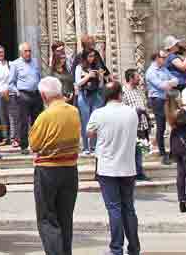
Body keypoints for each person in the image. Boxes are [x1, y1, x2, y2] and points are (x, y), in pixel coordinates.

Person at [87, 80, 141, 255]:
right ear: (120, 94)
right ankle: (133, 248)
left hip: (107, 167)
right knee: (129, 208)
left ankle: (116, 249)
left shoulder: (99, 113)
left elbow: (89, 132)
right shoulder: (132, 112)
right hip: (128, 166)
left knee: (114, 208)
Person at [29, 76, 81, 255]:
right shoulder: (74, 111)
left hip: (48, 170)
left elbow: (34, 145)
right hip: (70, 169)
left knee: (47, 218)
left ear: (43, 95)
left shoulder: (45, 116)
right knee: (65, 218)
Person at [8, 42, 42, 155]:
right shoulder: (15, 64)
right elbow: (11, 83)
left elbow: (39, 76)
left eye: (29, 51)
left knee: (37, 121)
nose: (28, 53)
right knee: (23, 122)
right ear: (21, 52)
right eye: (26, 51)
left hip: (36, 94)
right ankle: (24, 145)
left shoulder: (35, 61)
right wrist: (17, 93)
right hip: (23, 95)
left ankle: (37, 144)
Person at [145, 50, 177, 164]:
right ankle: (163, 154)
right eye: (163, 57)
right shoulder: (151, 71)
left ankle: (171, 152)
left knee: (173, 124)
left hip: (167, 98)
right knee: (161, 126)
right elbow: (161, 85)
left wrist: (168, 83)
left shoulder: (164, 69)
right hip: (157, 99)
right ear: (157, 58)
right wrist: (169, 83)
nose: (165, 59)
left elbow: (176, 80)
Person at [74, 49, 107, 155]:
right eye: (89, 56)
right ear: (84, 57)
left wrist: (101, 77)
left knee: (96, 120)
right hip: (84, 95)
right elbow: (78, 83)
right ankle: (86, 147)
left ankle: (94, 145)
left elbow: (101, 86)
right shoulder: (79, 67)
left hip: (96, 95)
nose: (92, 58)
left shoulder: (96, 67)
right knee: (85, 121)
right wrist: (88, 76)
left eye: (93, 56)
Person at [121, 69, 151, 181]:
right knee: (131, 150)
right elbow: (123, 109)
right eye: (137, 77)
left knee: (140, 149)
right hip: (131, 126)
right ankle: (131, 172)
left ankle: (138, 171)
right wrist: (136, 110)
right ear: (131, 78)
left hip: (142, 125)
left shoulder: (138, 91)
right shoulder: (124, 91)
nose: (139, 79)